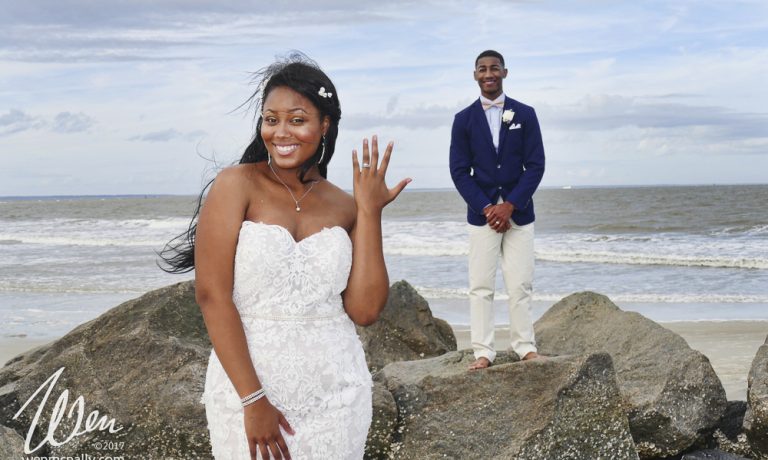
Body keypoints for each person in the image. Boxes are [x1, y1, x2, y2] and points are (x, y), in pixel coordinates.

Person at [160, 54, 410, 459]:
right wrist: (252, 399)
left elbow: (364, 310)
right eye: (271, 119)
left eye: (297, 119)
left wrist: (370, 211)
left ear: (324, 124)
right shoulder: (235, 185)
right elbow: (211, 296)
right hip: (248, 390)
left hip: (336, 395)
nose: (280, 132)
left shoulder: (345, 205)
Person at [449, 49, 545, 371]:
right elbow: (459, 171)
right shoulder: (463, 120)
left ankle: (525, 347)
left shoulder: (526, 114)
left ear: (505, 72)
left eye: (494, 68)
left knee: (519, 285)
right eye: (482, 69)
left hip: (520, 212)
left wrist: (511, 205)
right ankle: (483, 352)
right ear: (475, 75)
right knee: (481, 286)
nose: (488, 73)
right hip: (482, 216)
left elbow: (535, 165)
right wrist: (489, 207)